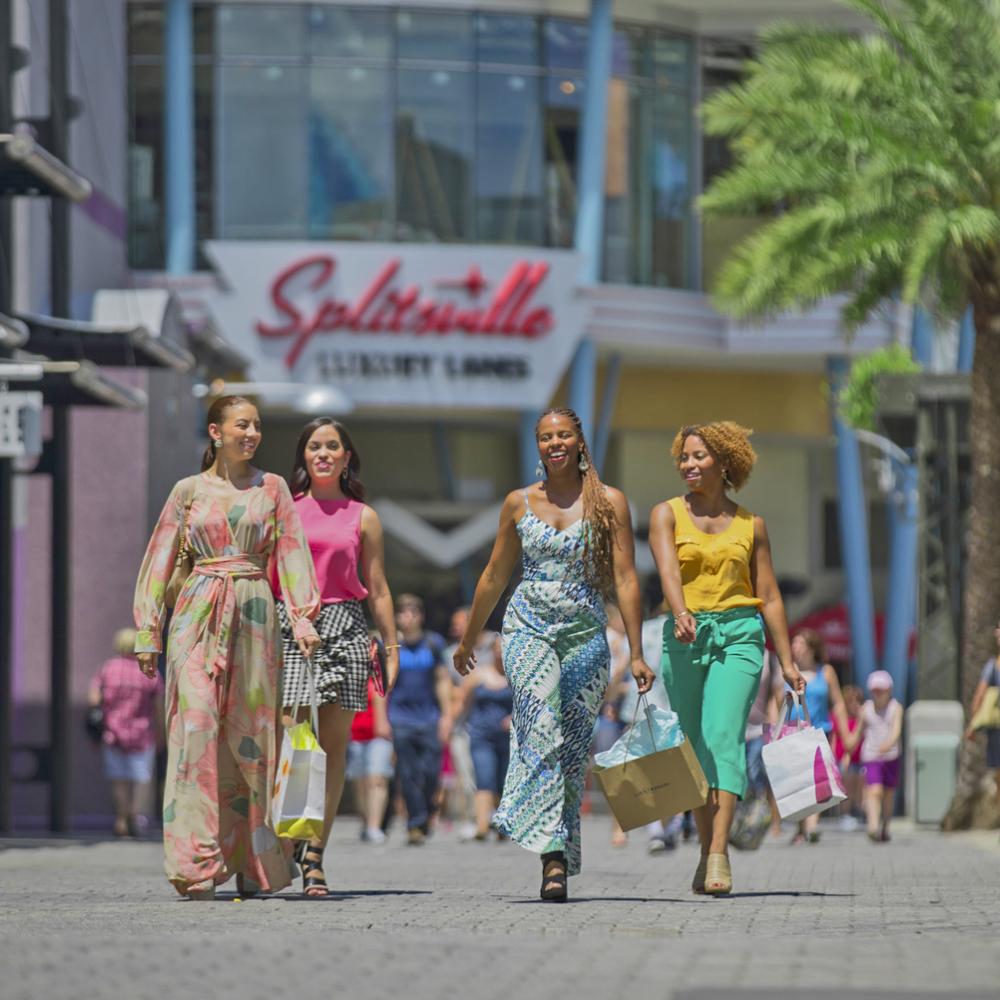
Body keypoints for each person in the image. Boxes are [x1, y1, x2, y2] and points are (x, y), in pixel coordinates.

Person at [453, 407, 656, 902]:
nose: (554, 443)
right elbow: (495, 576)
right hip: (527, 629)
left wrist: (635, 652)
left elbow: (627, 578)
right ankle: (544, 844)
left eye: (563, 435)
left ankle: (557, 857)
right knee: (540, 724)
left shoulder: (609, 502)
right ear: (537, 445)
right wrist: (469, 639)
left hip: (586, 632)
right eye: (545, 437)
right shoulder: (518, 503)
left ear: (579, 442)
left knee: (569, 750)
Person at [134, 396, 321, 899]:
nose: (253, 433)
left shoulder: (274, 488)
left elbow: (291, 553)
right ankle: (195, 866)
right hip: (196, 615)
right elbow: (158, 561)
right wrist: (148, 631)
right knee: (194, 732)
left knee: (252, 744)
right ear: (216, 432)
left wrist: (302, 619)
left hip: (257, 618)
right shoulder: (187, 491)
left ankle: (250, 861)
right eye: (243, 425)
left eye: (258, 425)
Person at [649, 421, 804, 895]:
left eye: (699, 456)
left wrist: (788, 660)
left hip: (739, 636)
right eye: (684, 457)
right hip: (686, 636)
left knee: (723, 736)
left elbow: (770, 595)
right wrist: (679, 612)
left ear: (724, 462)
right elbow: (667, 572)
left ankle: (719, 854)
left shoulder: (750, 524)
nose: (689, 465)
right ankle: (704, 850)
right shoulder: (666, 514)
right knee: (693, 747)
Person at [273, 417, 400, 895]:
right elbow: (274, 576)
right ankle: (285, 843)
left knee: (331, 750)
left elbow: (380, 588)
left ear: (347, 457)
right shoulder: (284, 509)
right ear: (303, 456)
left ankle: (315, 857)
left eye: (332, 447)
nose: (323, 454)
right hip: (293, 627)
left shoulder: (362, 515)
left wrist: (391, 646)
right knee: (292, 743)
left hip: (347, 628)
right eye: (314, 447)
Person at [88, 628, 163, 838]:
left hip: (114, 733)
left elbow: (93, 700)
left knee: (118, 779)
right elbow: (158, 707)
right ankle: (136, 815)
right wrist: (160, 733)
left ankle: (121, 819)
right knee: (142, 778)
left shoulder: (107, 669)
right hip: (142, 733)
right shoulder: (149, 671)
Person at [389, 593, 451, 845]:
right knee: (407, 773)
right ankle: (415, 823)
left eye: (413, 612)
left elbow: (442, 680)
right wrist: (383, 719)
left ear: (421, 617)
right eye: (403, 612)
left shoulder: (433, 643)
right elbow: (386, 685)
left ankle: (425, 814)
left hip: (429, 718)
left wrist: (447, 716)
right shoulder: (392, 645)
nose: (408, 617)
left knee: (430, 772)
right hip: (401, 718)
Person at [450, 633, 513, 840]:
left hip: (508, 738)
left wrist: (514, 718)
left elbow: (527, 705)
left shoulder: (517, 676)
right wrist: (448, 724)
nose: (500, 652)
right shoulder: (478, 675)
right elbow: (462, 703)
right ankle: (482, 826)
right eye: (497, 648)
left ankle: (502, 824)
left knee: (504, 780)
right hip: (481, 735)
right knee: (484, 776)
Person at [789, 629, 848, 844]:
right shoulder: (789, 671)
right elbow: (777, 701)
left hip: (820, 731)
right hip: (793, 731)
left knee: (816, 780)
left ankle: (811, 827)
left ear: (811, 648)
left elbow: (838, 703)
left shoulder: (827, 671)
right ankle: (800, 827)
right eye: (793, 643)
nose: (795, 647)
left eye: (799, 642)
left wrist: (845, 732)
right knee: (797, 782)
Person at [848, 670, 903, 843]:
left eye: (882, 690)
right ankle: (872, 826)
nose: (878, 694)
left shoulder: (896, 708)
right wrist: (848, 747)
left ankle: (885, 827)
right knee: (875, 791)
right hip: (871, 756)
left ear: (889, 690)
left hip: (891, 757)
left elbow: (896, 731)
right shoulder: (866, 710)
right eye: (875, 690)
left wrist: (888, 743)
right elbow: (857, 733)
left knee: (888, 794)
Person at [347, 672, 394, 845]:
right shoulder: (351, 675)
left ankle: (375, 827)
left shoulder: (382, 674)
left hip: (379, 736)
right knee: (360, 783)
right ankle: (366, 822)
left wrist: (384, 723)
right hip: (355, 735)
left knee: (377, 779)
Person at [965, 620, 1000, 805]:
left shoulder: (993, 666)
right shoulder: (992, 666)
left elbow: (979, 695)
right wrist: (973, 724)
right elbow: (979, 695)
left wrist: (972, 725)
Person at [834, 684, 865, 827]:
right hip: (844, 758)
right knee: (848, 778)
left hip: (861, 758)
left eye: (858, 701)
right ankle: (845, 814)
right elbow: (843, 741)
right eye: (852, 701)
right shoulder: (841, 716)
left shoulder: (864, 717)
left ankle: (859, 811)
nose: (856, 704)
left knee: (862, 780)